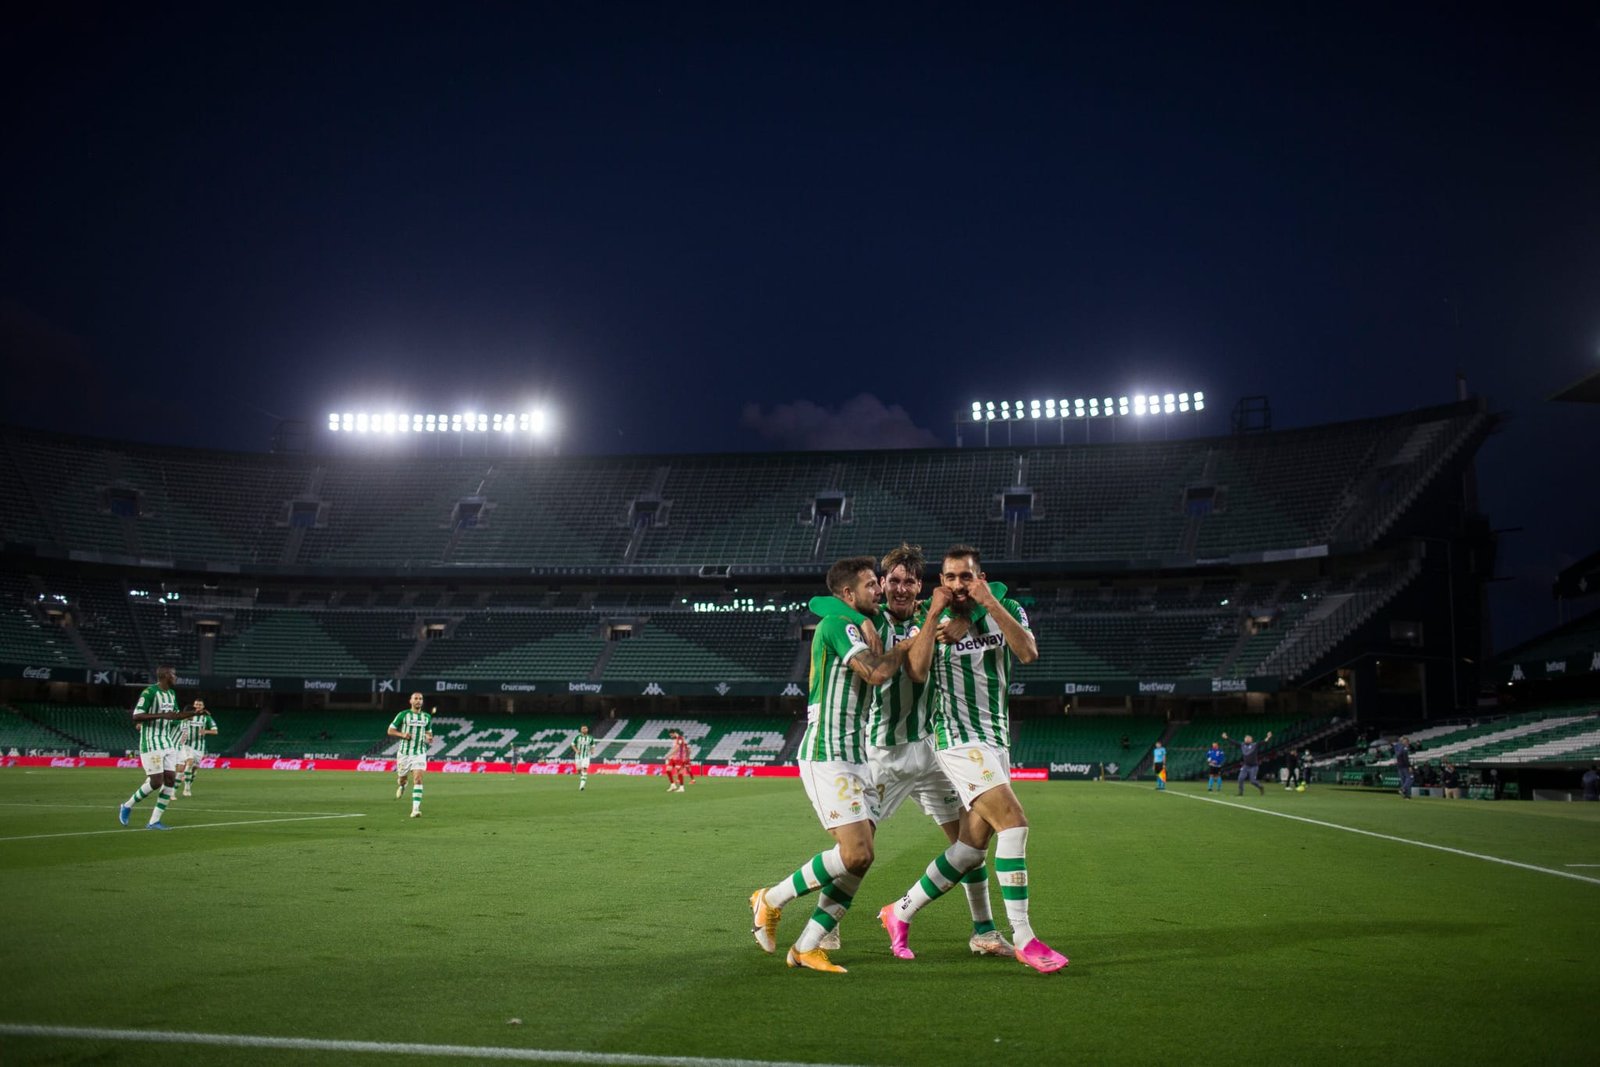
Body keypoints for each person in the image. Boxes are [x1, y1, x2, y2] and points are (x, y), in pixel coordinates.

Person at [878, 544, 1069, 975]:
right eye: (950, 578)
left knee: (969, 849)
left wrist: (985, 606)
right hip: (957, 740)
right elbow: (917, 671)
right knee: (1014, 824)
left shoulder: (1007, 607)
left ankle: (900, 911)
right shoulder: (931, 612)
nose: (958, 585)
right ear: (941, 582)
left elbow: (1028, 653)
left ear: (979, 578)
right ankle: (1024, 937)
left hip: (996, 740)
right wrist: (940, 618)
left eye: (966, 577)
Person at [749, 555, 934, 974]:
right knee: (853, 853)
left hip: (857, 756)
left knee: (862, 857)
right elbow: (873, 673)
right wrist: (905, 645)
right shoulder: (837, 625)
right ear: (849, 594)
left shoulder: (858, 621)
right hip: (826, 753)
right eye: (872, 584)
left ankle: (809, 946)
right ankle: (771, 899)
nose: (880, 589)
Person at [856, 543, 1012, 957]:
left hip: (930, 748)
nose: (901, 589)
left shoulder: (937, 608)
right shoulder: (870, 620)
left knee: (971, 843)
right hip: (884, 753)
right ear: (881, 584)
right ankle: (827, 921)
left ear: (920, 585)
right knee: (856, 849)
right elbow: (916, 669)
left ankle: (984, 930)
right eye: (893, 581)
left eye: (909, 581)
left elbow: (985, 587)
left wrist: (964, 615)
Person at [118, 666, 206, 829]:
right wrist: (162, 715)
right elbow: (136, 716)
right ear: (165, 676)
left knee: (171, 779)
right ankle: (127, 805)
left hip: (167, 742)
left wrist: (196, 713)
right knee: (156, 781)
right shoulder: (149, 692)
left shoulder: (171, 694)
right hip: (151, 742)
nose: (176, 677)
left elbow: (175, 715)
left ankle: (154, 821)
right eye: (174, 674)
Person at [387, 693, 434, 818]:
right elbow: (390, 730)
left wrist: (429, 737)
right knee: (402, 778)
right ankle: (403, 785)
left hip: (419, 753)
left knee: (418, 778)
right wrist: (402, 735)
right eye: (416, 698)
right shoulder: (403, 715)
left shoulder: (427, 717)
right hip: (404, 754)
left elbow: (428, 732)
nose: (418, 701)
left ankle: (415, 809)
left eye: (420, 699)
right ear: (410, 701)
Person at [175, 699, 217, 797]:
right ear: (193, 706)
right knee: (188, 763)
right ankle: (185, 789)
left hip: (199, 747)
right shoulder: (187, 715)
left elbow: (215, 731)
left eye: (200, 704)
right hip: (186, 745)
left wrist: (205, 731)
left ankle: (188, 784)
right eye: (196, 704)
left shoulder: (206, 718)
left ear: (203, 706)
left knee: (194, 768)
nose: (198, 706)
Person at [1220, 731, 1273, 796]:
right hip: (1246, 765)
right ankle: (1240, 792)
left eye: (1248, 738)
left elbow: (1264, 742)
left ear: (1251, 740)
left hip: (1254, 766)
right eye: (1246, 738)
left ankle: (1260, 787)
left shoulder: (1255, 745)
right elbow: (1233, 742)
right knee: (1240, 778)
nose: (1247, 739)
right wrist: (1226, 738)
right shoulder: (1242, 745)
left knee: (1252, 781)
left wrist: (1268, 737)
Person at [570, 724, 595, 791]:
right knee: (578, 770)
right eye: (583, 728)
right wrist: (576, 750)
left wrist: (592, 751)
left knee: (584, 769)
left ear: (587, 730)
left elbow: (593, 745)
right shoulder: (577, 737)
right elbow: (572, 744)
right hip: (578, 757)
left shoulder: (590, 738)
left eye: (585, 728)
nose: (584, 730)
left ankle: (582, 786)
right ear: (581, 730)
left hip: (586, 756)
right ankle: (582, 778)